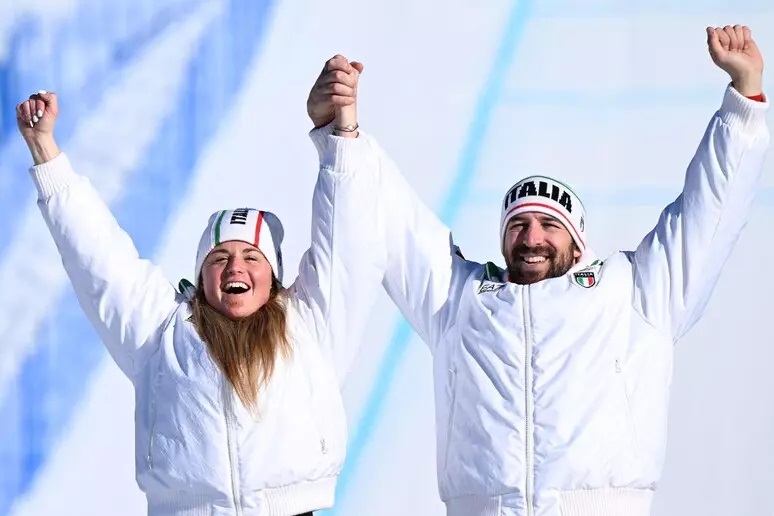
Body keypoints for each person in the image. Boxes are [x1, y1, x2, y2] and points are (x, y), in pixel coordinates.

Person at [309, 26, 770, 515]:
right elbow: (390, 216)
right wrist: (341, 131)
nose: (532, 238)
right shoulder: (458, 299)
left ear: (578, 242)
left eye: (550, 225)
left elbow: (708, 213)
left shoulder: (635, 292)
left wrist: (744, 100)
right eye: (518, 225)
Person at [15, 55, 382, 516]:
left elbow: (346, 239)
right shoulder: (160, 331)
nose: (235, 268)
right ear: (200, 275)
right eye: (219, 258)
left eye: (252, 257)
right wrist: (45, 150)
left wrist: (338, 133)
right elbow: (96, 257)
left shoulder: (309, 323)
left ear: (273, 277)